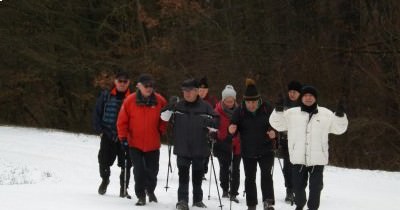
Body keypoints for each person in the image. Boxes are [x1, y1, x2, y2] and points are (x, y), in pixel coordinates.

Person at [269, 85, 348, 210]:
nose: (308, 98)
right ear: (302, 97)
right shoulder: (291, 113)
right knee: (298, 188)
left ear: (315, 98)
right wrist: (278, 110)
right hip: (298, 159)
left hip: (317, 160)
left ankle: (312, 208)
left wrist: (340, 115)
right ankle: (300, 205)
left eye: (311, 96)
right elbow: (277, 124)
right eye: (305, 95)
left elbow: (339, 129)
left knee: (316, 188)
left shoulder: (326, 114)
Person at [160, 78, 219, 210]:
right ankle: (182, 200)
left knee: (198, 176)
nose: (187, 93)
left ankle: (198, 200)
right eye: (184, 90)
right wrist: (170, 105)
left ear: (197, 91)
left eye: (190, 90)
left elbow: (216, 122)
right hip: (182, 147)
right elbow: (164, 117)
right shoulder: (178, 106)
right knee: (183, 175)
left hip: (200, 146)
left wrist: (210, 125)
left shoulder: (206, 106)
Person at [117, 73, 167, 206]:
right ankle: (140, 196)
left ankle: (150, 191)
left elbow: (165, 118)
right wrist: (123, 137)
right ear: (139, 86)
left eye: (151, 86)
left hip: (153, 143)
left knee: (152, 172)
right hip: (135, 143)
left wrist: (162, 130)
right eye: (146, 86)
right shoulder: (129, 101)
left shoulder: (160, 100)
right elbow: (122, 121)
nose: (149, 88)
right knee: (139, 171)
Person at [228, 78, 277, 210]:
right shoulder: (240, 111)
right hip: (248, 150)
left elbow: (276, 124)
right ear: (245, 101)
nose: (251, 105)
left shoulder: (267, 108)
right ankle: (251, 204)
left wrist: (274, 132)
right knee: (250, 178)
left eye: (253, 102)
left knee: (266, 175)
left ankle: (268, 202)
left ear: (258, 100)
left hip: (266, 149)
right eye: (248, 102)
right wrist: (231, 129)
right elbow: (233, 125)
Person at [93, 70, 132, 198]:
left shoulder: (133, 98)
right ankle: (105, 179)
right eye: (119, 81)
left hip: (125, 136)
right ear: (115, 81)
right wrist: (100, 131)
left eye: (124, 81)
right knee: (103, 160)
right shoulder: (106, 95)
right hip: (108, 134)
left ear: (128, 83)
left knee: (126, 164)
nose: (122, 83)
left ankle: (123, 188)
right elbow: (97, 114)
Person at [213, 85, 241, 203]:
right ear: (223, 100)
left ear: (235, 99)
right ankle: (225, 189)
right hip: (222, 143)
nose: (230, 103)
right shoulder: (217, 111)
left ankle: (234, 192)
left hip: (237, 144)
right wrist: (212, 134)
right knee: (224, 168)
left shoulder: (240, 111)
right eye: (227, 101)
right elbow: (213, 126)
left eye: (232, 100)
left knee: (235, 169)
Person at [275, 80, 302, 204]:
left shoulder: (304, 105)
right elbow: (276, 121)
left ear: (299, 93)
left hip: (300, 140)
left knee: (298, 167)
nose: (292, 94)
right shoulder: (284, 103)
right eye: (290, 91)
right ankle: (289, 190)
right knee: (288, 167)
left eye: (294, 92)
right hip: (286, 139)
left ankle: (299, 189)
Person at [198, 76, 218, 180]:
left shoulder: (212, 100)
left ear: (207, 90)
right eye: (200, 90)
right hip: (195, 130)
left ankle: (203, 170)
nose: (201, 92)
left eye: (204, 90)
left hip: (208, 130)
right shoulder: (193, 100)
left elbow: (216, 114)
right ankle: (197, 170)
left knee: (206, 152)